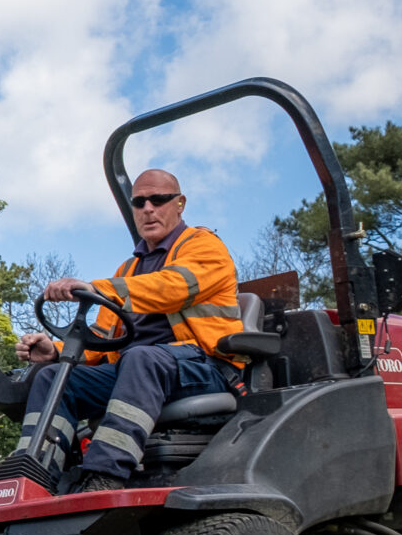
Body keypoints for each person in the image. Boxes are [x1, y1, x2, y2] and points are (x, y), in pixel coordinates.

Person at [16, 168, 246, 493]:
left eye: (158, 199)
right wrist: (54, 350)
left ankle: (104, 477)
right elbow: (100, 338)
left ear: (179, 203)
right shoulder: (128, 269)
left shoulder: (205, 247)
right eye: (139, 202)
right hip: (140, 371)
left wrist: (96, 287)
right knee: (53, 377)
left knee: (141, 358)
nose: (148, 208)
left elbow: (173, 288)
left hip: (204, 368)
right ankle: (32, 477)